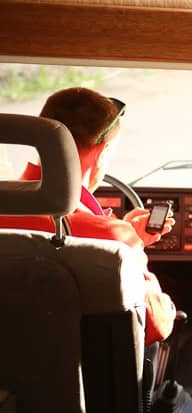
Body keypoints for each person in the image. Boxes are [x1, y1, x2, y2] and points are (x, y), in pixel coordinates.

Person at [0, 87, 176, 345]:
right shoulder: (114, 237)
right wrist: (130, 244)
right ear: (102, 152)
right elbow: (154, 325)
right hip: (74, 370)